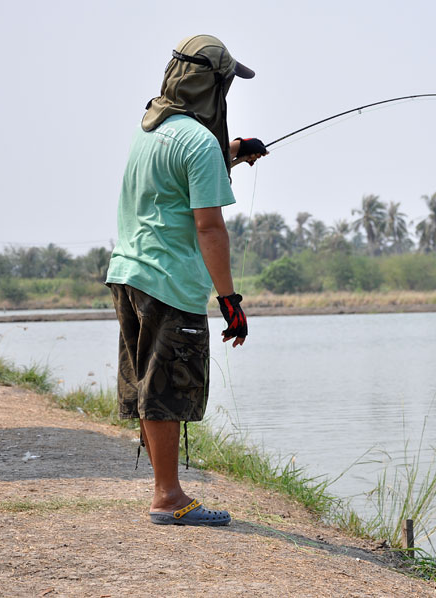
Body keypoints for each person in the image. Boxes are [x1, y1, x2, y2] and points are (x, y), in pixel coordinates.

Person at [105, 34, 267, 526]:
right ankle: (168, 497)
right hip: (170, 280)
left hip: (128, 273)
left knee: (148, 384)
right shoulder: (197, 142)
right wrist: (229, 300)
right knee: (169, 386)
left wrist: (234, 151)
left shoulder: (151, 128)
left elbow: (175, 178)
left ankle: (164, 488)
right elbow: (209, 225)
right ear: (212, 86)